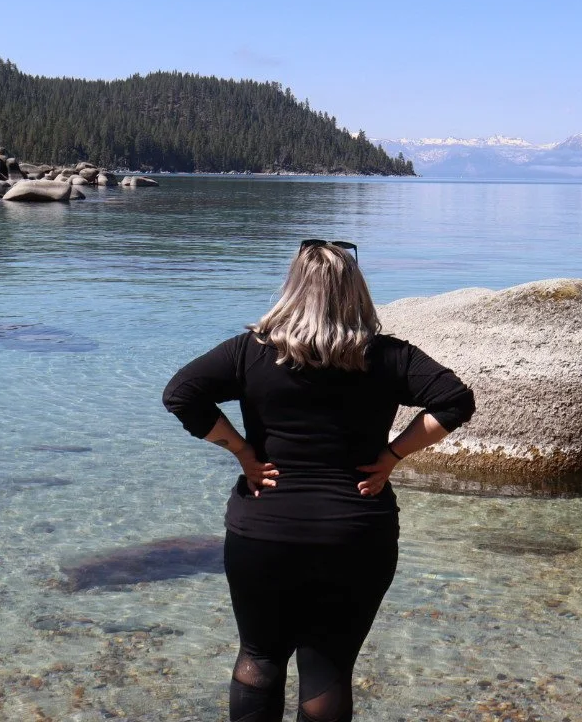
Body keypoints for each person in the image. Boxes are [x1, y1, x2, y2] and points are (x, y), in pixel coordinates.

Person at [162, 239, 476, 722]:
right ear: (356, 292)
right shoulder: (389, 356)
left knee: (259, 657)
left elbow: (181, 395)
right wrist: (392, 456)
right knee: (328, 668)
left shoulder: (249, 352)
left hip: (264, 529)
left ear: (292, 289)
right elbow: (455, 400)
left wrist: (243, 452)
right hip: (355, 531)